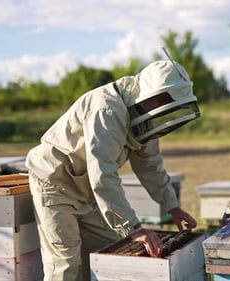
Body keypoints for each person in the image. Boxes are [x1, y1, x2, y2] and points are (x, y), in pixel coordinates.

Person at [26, 59, 201, 281]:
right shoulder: (106, 108)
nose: (161, 109)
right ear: (149, 94)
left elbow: (151, 165)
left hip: (85, 191)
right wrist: (134, 228)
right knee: (66, 263)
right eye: (161, 101)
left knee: (106, 253)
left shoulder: (145, 115)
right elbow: (103, 173)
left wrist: (172, 206)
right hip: (54, 184)